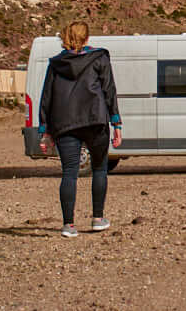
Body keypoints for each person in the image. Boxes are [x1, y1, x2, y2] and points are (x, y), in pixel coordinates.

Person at [38, 21, 122, 236]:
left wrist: (44, 130)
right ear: (87, 38)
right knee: (100, 169)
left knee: (69, 172)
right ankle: (97, 218)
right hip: (95, 121)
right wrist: (116, 123)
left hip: (64, 124)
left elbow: (46, 96)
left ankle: (69, 225)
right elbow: (109, 90)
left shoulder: (56, 63)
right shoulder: (99, 58)